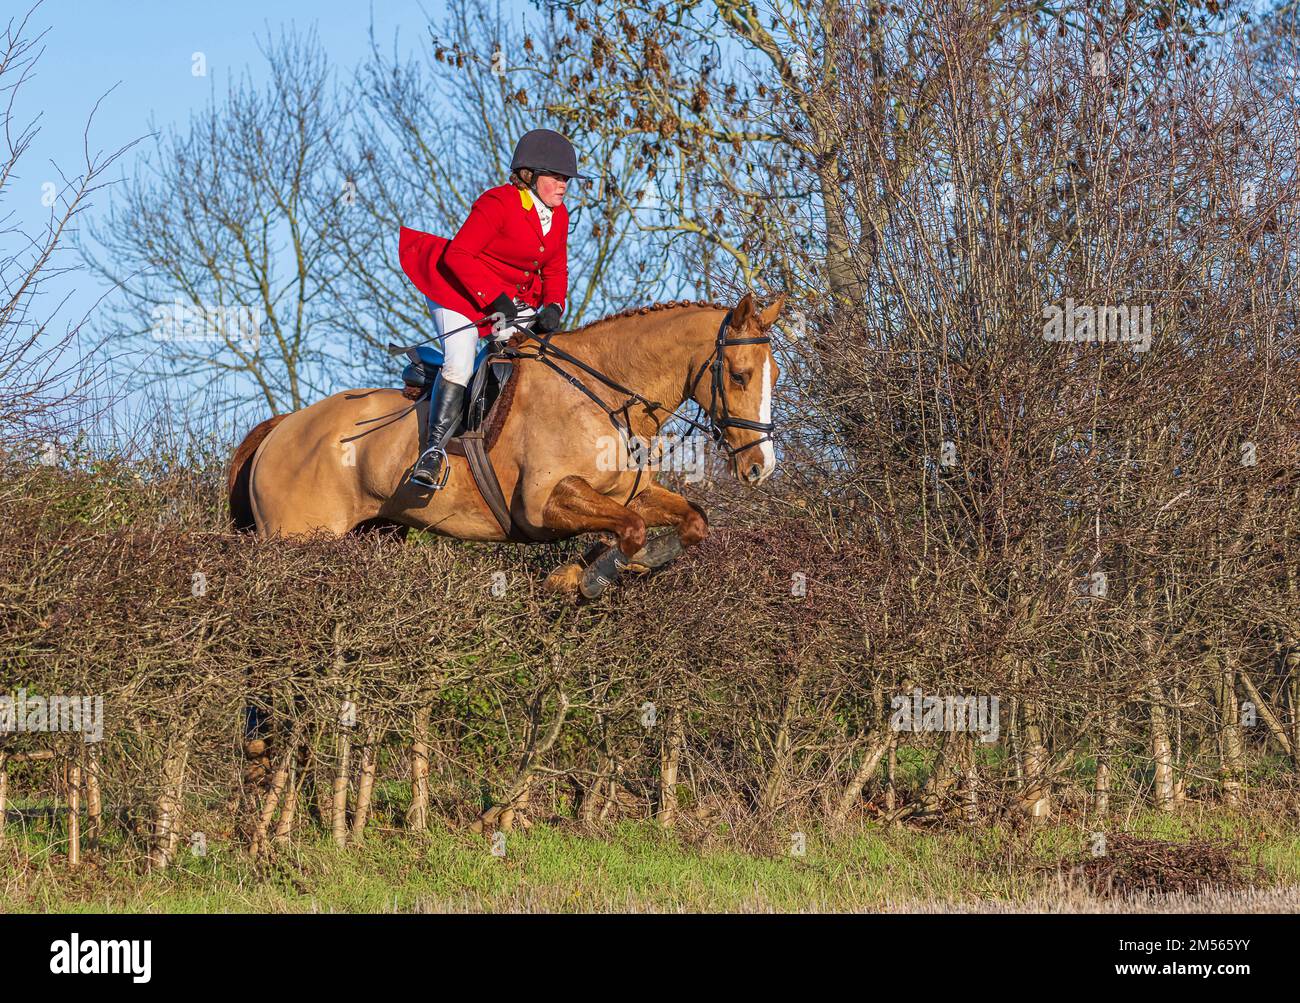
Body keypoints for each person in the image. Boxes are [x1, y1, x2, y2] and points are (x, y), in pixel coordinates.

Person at [398, 129, 589, 490]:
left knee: (545, 354)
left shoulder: (558, 216)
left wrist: (554, 304)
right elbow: (458, 255)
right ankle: (432, 453)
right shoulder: (498, 203)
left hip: (504, 301)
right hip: (458, 291)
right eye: (557, 177)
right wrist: (496, 300)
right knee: (460, 360)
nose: (564, 185)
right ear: (530, 175)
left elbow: (555, 269)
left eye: (566, 179)